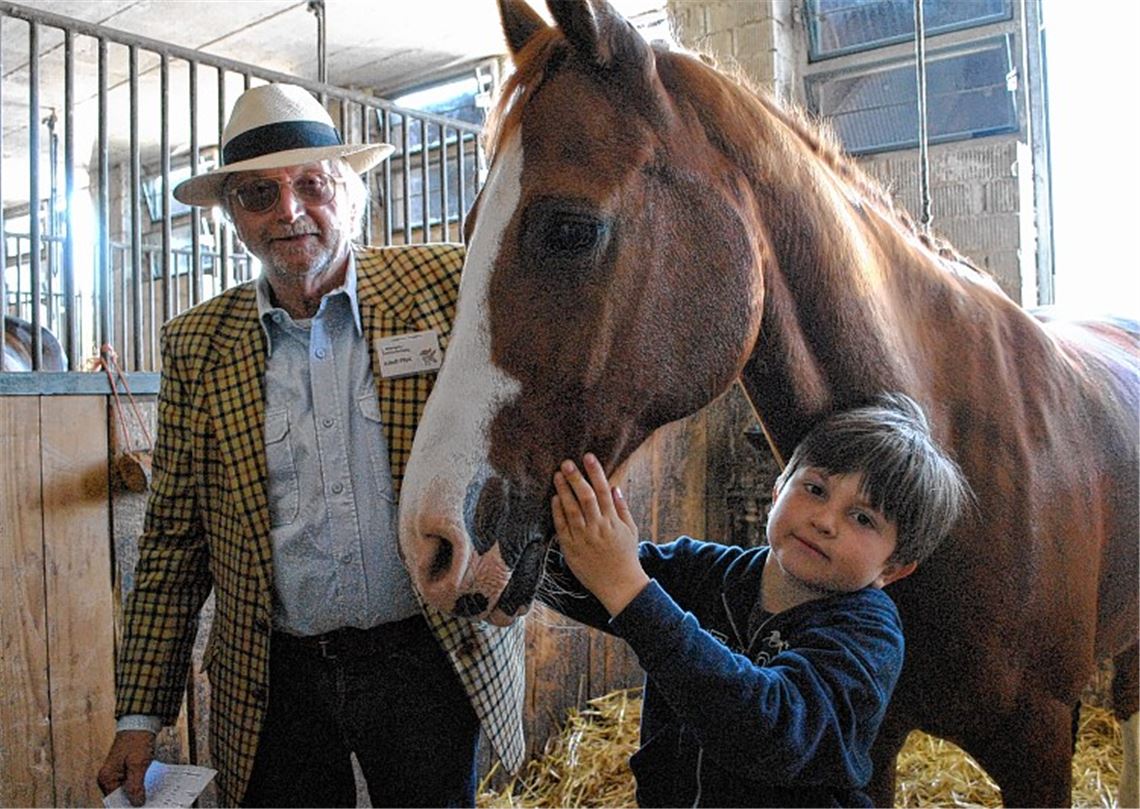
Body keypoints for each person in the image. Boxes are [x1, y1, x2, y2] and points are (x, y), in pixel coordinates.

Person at [95, 83, 526, 808]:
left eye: (312, 185)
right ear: (232, 217)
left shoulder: (448, 287)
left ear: (350, 194)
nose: (289, 211)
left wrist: (516, 556)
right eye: (259, 193)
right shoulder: (198, 344)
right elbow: (173, 541)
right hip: (275, 672)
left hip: (427, 651)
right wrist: (140, 714)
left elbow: (527, 432)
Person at [545, 393, 971, 807]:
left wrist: (627, 588)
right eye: (815, 489)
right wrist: (510, 566)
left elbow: (768, 732)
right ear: (777, 489)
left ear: (893, 568)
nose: (823, 521)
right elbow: (587, 575)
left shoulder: (867, 637)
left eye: (863, 518)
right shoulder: (705, 571)